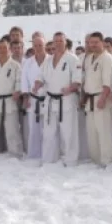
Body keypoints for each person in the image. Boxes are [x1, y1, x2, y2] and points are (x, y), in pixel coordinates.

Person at [34, 32, 82, 166]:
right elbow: (41, 77)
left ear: (65, 42)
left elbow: (77, 80)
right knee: (49, 132)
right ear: (53, 43)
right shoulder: (48, 60)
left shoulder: (73, 59)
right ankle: (49, 159)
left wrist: (70, 88)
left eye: (61, 41)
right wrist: (37, 84)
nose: (58, 43)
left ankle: (70, 160)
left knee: (68, 132)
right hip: (50, 100)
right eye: (56, 41)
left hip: (66, 100)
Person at [82, 32, 112, 168]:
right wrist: (83, 98)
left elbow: (108, 82)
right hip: (90, 99)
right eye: (91, 42)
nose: (93, 45)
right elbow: (87, 81)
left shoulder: (107, 59)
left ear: (102, 43)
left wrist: (102, 98)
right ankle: (96, 160)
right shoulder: (89, 58)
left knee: (104, 131)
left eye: (96, 42)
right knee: (92, 132)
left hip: (102, 98)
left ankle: (108, 160)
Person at [22, 35, 48, 161]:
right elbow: (24, 81)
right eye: (35, 45)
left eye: (40, 45)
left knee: (48, 128)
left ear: (45, 46)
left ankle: (48, 153)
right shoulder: (28, 62)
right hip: (33, 98)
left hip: (48, 98)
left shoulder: (51, 60)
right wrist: (26, 97)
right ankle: (34, 154)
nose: (38, 48)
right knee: (33, 128)